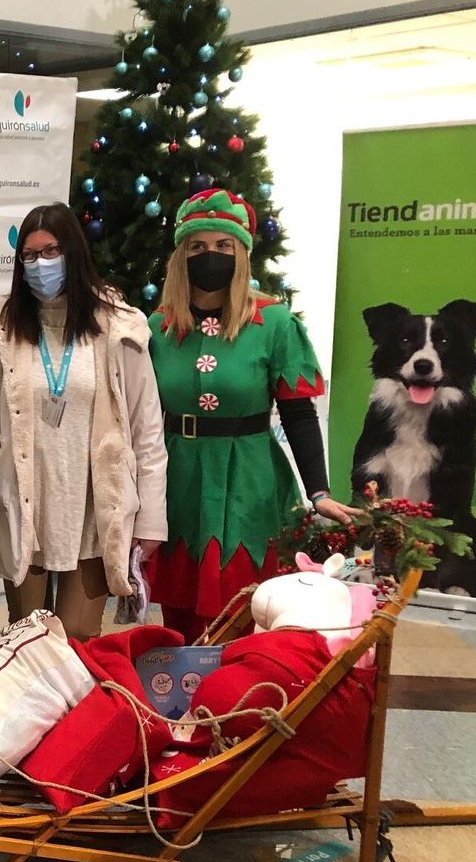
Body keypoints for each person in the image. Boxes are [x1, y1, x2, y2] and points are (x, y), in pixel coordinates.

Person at [0, 203, 167, 641]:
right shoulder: (1, 327)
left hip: (93, 511)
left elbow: (147, 431)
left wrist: (151, 522)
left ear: (73, 252)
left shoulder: (120, 325)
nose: (40, 265)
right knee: (25, 643)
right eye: (28, 257)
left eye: (50, 252)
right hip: (23, 508)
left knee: (79, 646)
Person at [147, 188, 353, 640]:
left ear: (242, 252)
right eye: (197, 246)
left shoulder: (274, 323)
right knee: (178, 612)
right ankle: (179, 697)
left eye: (224, 246)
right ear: (181, 255)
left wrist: (318, 491)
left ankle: (237, 696)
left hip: (251, 476)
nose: (211, 255)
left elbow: (298, 414)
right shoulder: (157, 328)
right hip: (176, 477)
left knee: (247, 602)